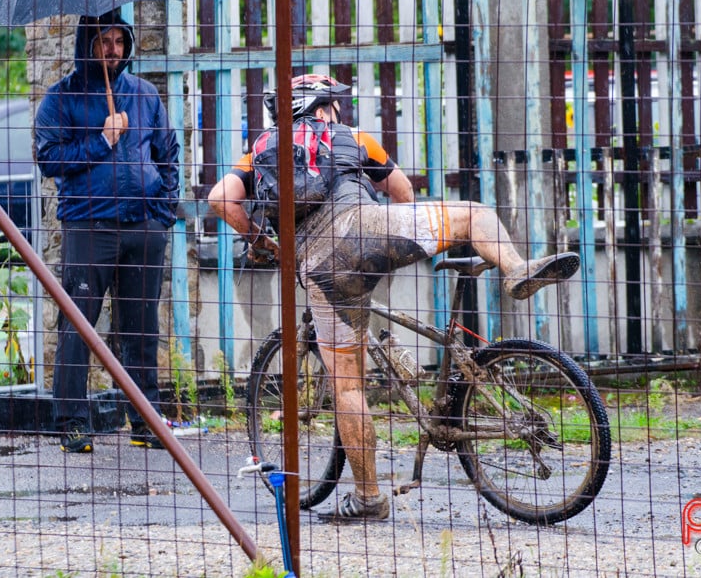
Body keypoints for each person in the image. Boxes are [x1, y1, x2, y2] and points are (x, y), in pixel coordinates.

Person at [208, 74, 578, 521]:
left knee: (347, 386)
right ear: (326, 107)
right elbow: (401, 191)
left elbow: (220, 200)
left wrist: (264, 242)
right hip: (368, 233)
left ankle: (368, 499)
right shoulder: (353, 138)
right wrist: (404, 242)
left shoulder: (260, 151)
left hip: (320, 267)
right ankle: (516, 269)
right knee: (475, 214)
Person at [35, 10, 180, 453]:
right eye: (104, 40)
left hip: (144, 226)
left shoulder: (145, 95)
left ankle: (145, 420)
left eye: (119, 40)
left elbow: (168, 152)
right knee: (78, 325)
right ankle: (72, 422)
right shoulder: (60, 99)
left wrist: (162, 210)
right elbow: (49, 158)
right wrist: (102, 139)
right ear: (87, 44)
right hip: (89, 224)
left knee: (141, 329)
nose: (113, 49)